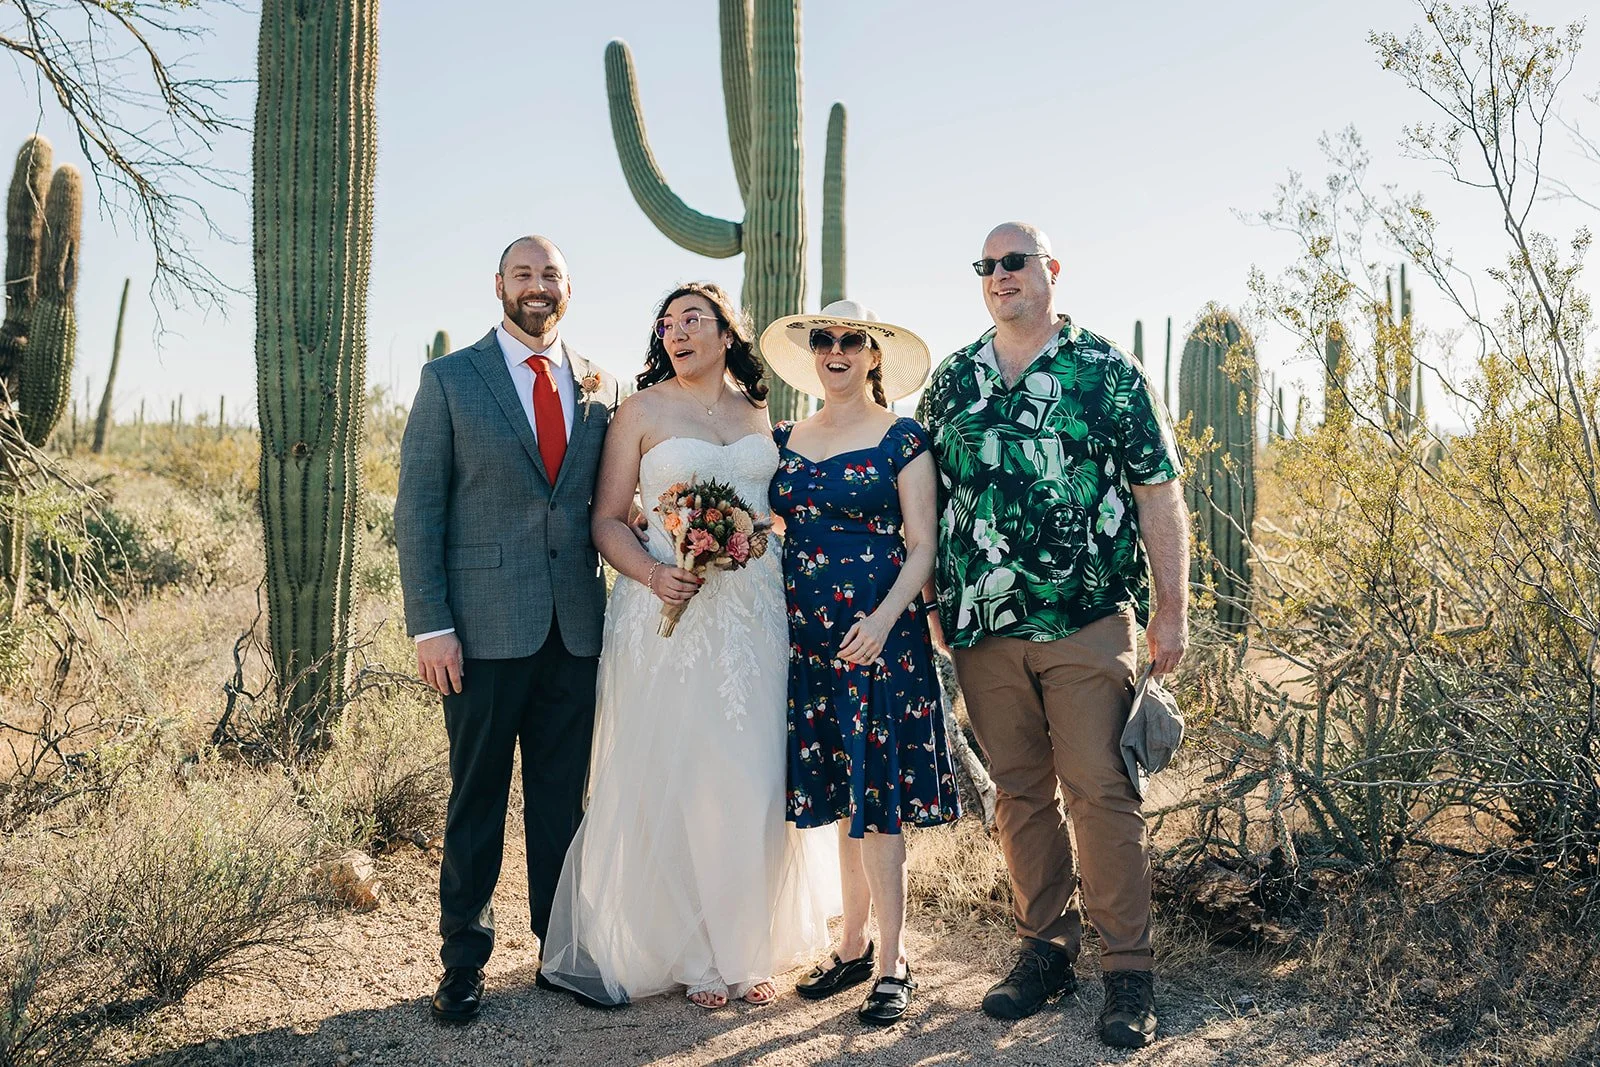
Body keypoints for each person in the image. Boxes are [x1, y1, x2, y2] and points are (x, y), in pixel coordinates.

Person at [916, 222, 1191, 1049]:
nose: (1000, 276)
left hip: (1087, 614)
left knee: (1101, 787)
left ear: (1050, 271)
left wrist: (1171, 607)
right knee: (1018, 791)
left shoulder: (1106, 371)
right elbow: (922, 492)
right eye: (987, 266)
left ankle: (1129, 970)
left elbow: (1158, 489)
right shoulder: (953, 379)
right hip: (982, 627)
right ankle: (1045, 952)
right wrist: (933, 598)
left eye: (1015, 262)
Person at [540, 282, 837, 1010]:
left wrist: (754, 537)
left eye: (693, 319)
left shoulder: (762, 413)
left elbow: (780, 515)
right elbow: (607, 520)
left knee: (757, 775)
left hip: (755, 614)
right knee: (688, 777)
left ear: (726, 333)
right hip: (666, 612)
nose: (677, 332)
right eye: (666, 322)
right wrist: (653, 573)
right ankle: (699, 953)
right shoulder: (638, 411)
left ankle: (748, 946)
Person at [395, 235, 622, 1023]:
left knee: (564, 799)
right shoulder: (450, 380)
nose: (537, 286)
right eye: (523, 273)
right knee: (478, 795)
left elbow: (607, 503)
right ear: (498, 284)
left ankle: (559, 954)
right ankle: (463, 961)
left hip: (575, 628)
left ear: (568, 285)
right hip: (481, 631)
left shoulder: (602, 383)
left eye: (550, 274)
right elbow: (418, 510)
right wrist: (431, 625)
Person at [758, 300, 961, 1026]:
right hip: (810, 643)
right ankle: (850, 943)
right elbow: (772, 521)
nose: (836, 349)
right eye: (824, 339)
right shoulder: (784, 436)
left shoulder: (903, 437)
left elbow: (922, 545)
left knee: (880, 800)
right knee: (847, 793)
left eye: (851, 339)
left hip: (879, 639)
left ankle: (891, 961)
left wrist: (881, 620)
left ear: (874, 355)